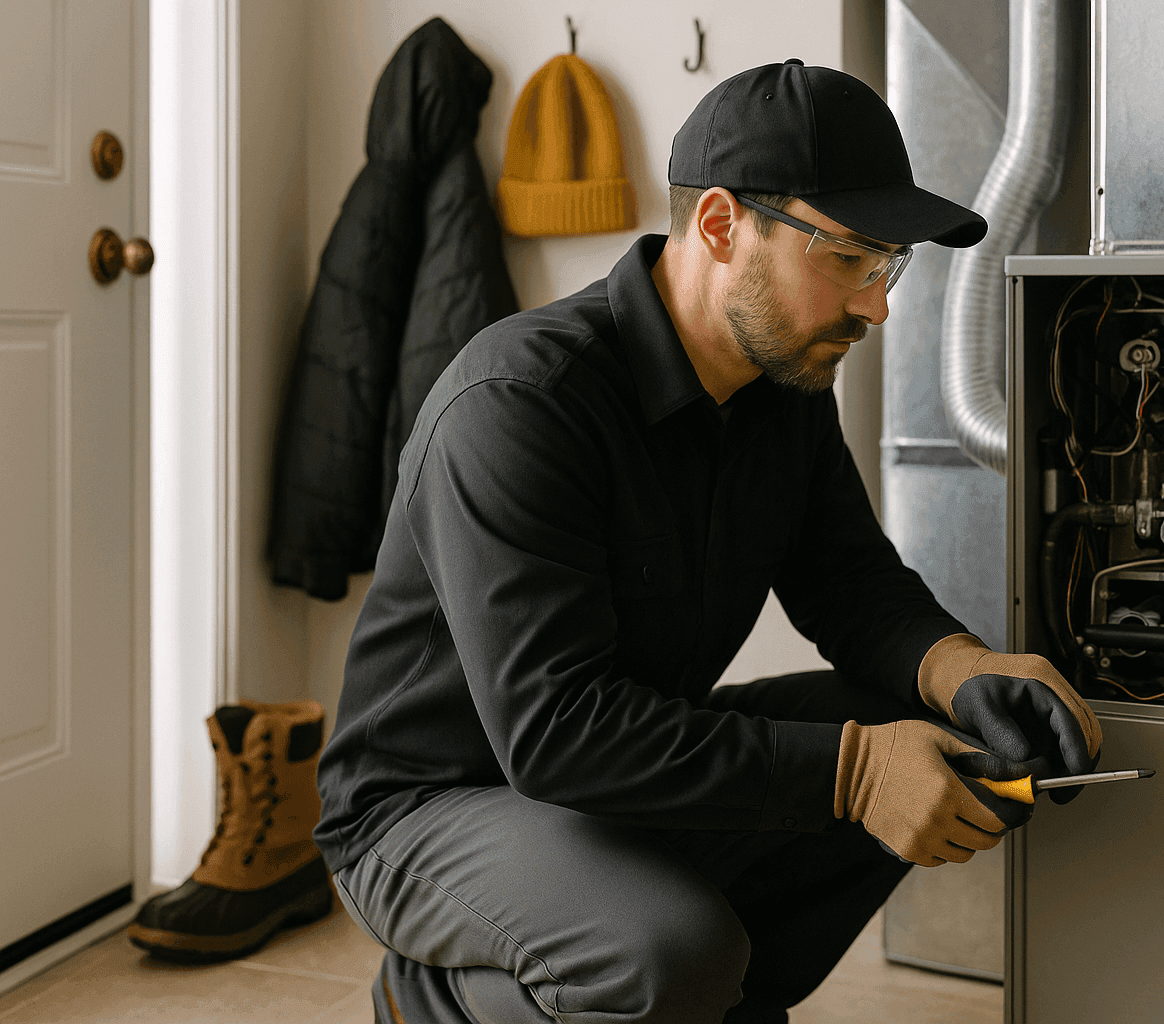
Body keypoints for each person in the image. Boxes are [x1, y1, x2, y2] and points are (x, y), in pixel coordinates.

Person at [315, 59, 1102, 1024]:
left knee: (942, 740)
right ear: (724, 225)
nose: (876, 306)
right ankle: (440, 997)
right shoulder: (522, 404)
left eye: (888, 266)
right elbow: (555, 733)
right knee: (668, 950)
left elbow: (849, 584)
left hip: (603, 778)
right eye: (850, 258)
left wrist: (966, 671)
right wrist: (853, 774)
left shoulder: (782, 385)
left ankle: (716, 1001)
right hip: (430, 810)